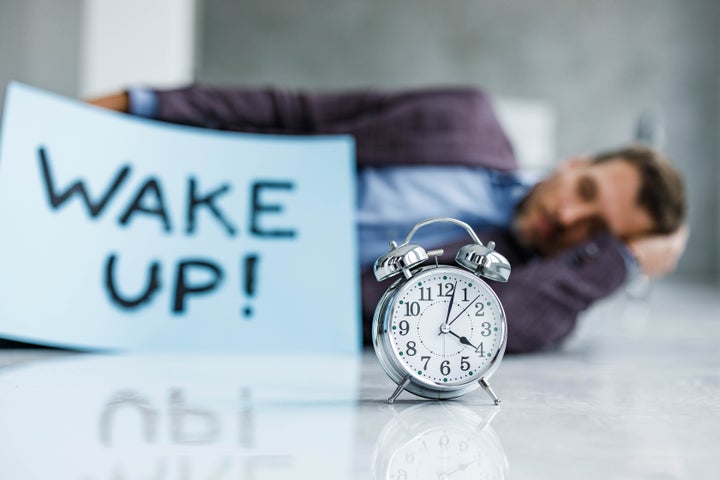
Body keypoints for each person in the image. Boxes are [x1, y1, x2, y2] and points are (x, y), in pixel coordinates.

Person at [87, 85, 688, 353]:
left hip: (177, 311)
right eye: (583, 190)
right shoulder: (465, 119)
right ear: (575, 161)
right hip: (145, 197)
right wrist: (139, 104)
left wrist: (624, 263)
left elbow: (448, 333)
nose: (566, 215)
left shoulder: (525, 301)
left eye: (595, 231)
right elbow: (290, 113)